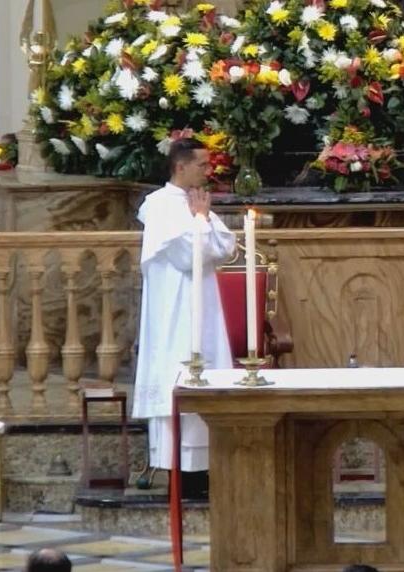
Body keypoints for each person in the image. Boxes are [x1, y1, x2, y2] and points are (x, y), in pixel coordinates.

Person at [132, 138, 236, 500]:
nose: (209, 171)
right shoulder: (160, 207)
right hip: (175, 311)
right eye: (203, 165)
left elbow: (226, 246)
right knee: (179, 377)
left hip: (202, 307)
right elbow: (190, 252)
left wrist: (203, 220)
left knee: (207, 377)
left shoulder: (195, 204)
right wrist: (202, 220)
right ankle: (181, 475)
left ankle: (205, 471)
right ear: (180, 166)